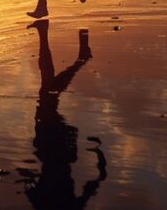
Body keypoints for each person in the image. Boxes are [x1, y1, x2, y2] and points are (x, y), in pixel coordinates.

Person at [20, 20, 106, 209]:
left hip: (53, 150)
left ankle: (46, 35)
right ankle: (79, 58)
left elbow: (96, 182)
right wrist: (99, 155)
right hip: (54, 149)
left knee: (47, 89)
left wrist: (99, 157)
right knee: (47, 95)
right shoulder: (61, 206)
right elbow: (96, 182)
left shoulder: (49, 206)